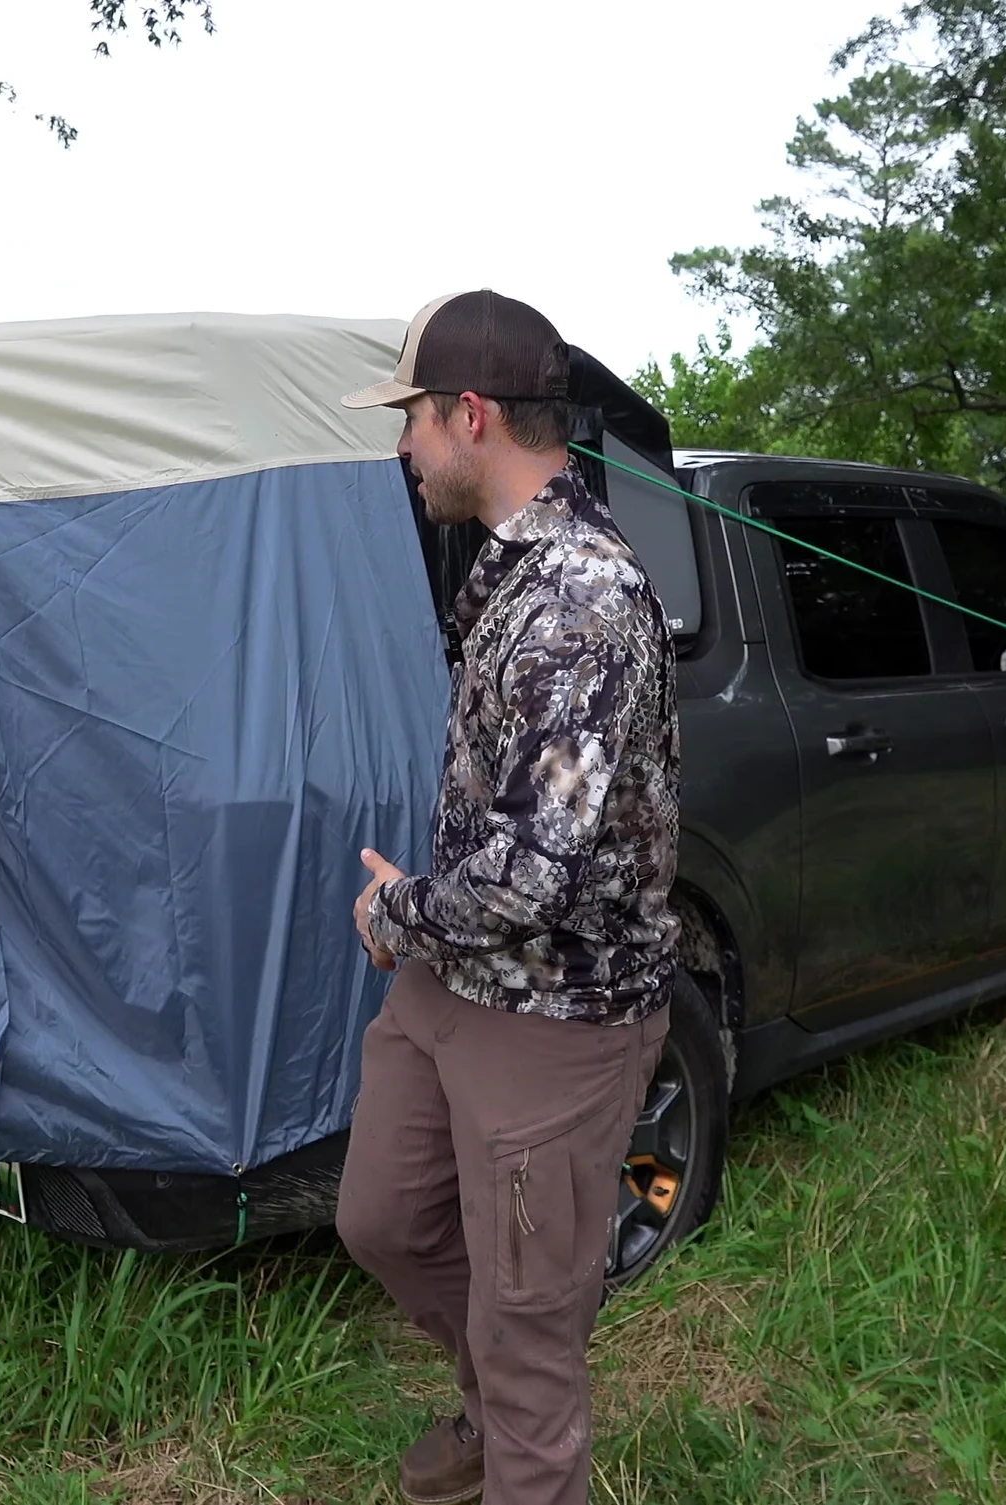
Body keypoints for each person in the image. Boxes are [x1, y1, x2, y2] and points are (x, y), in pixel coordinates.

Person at [334, 290, 682, 1505]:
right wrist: (427, 934)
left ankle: (517, 1434)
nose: (404, 449)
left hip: (557, 1019)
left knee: (534, 1335)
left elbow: (539, 870)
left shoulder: (581, 597)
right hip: (454, 986)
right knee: (381, 1216)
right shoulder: (508, 567)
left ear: (470, 415)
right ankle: (492, 1399)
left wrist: (399, 915)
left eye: (414, 421)